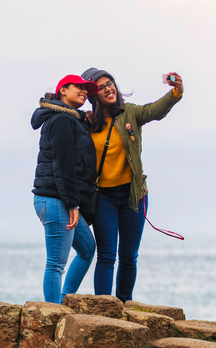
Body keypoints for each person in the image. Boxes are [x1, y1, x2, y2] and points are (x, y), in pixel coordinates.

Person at [80, 68, 184, 302]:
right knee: (106, 255)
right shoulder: (87, 123)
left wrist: (176, 92)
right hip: (104, 196)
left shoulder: (130, 113)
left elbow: (155, 110)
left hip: (133, 194)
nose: (109, 88)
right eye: (101, 86)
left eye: (111, 83)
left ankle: (125, 304)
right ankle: (103, 308)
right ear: (93, 95)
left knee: (128, 255)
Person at [31, 75, 99, 304]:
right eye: (78, 87)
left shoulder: (72, 120)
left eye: (85, 89)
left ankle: (61, 301)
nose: (84, 92)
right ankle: (52, 314)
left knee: (87, 249)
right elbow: (63, 165)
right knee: (56, 263)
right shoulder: (62, 120)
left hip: (60, 198)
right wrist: (72, 204)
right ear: (62, 91)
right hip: (56, 200)